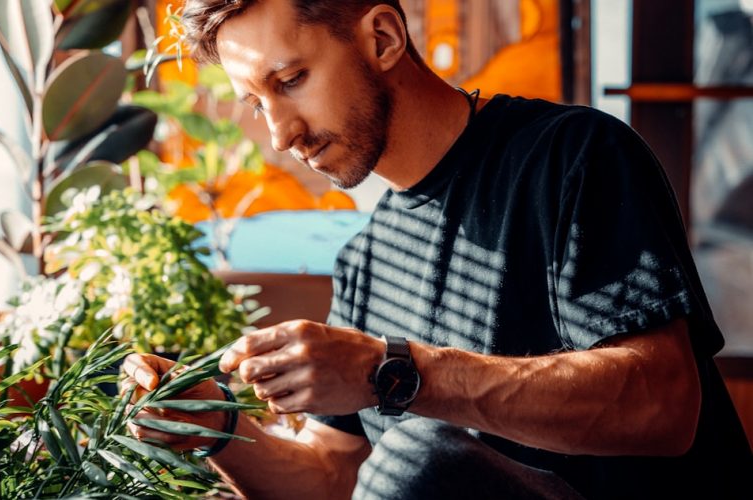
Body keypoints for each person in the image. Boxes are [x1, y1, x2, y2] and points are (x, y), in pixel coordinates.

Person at [122, 1, 753, 498]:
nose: (281, 134)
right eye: (258, 105)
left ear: (384, 39)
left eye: (291, 80)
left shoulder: (573, 156)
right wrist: (220, 430)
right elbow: (336, 478)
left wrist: (391, 371)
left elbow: (663, 406)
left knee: (416, 460)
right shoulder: (368, 264)